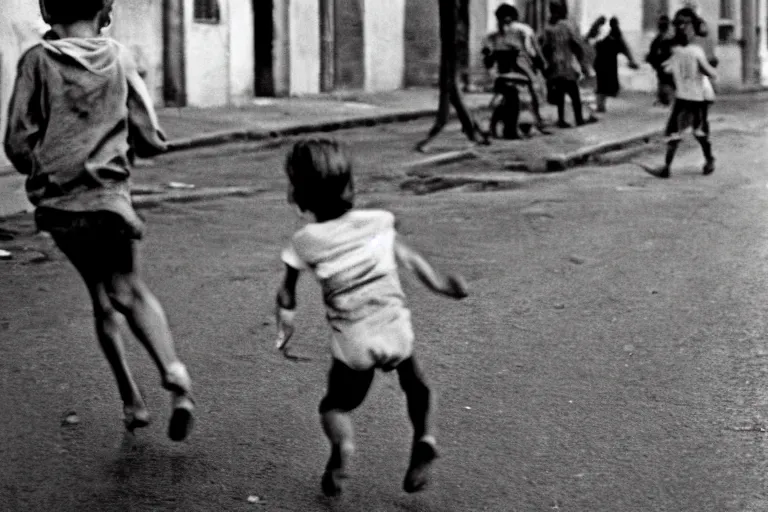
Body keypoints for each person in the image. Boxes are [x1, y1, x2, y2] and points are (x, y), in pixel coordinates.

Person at [4, 0, 195, 440]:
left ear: (47, 12)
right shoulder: (118, 57)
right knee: (128, 288)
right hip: (108, 202)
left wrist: (46, 165)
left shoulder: (35, 60)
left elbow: (16, 141)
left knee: (100, 296)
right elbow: (150, 137)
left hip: (60, 208)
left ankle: (132, 402)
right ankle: (174, 373)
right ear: (105, 13)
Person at [274, 139, 468, 496]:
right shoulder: (379, 222)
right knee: (417, 386)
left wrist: (285, 324)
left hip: (354, 342)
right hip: (396, 331)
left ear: (299, 194)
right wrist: (444, 286)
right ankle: (424, 436)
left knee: (335, 405)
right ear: (349, 185)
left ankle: (342, 446)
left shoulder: (304, 242)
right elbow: (413, 261)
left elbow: (286, 294)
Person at [648, 7, 717, 179]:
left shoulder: (700, 44)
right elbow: (664, 64)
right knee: (672, 131)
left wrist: (702, 65)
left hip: (699, 94)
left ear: (693, 24)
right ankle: (666, 166)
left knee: (699, 131)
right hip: (683, 94)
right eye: (678, 23)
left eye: (684, 23)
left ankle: (709, 159)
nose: (681, 27)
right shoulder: (674, 45)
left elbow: (711, 68)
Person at [482, 3, 550, 138]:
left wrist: (493, 72)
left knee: (509, 98)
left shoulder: (492, 36)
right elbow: (534, 51)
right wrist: (542, 65)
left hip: (505, 74)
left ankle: (499, 126)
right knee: (529, 96)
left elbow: (487, 57)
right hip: (521, 73)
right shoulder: (522, 30)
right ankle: (533, 124)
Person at [539, 1, 592, 128]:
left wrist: (545, 66)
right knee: (574, 93)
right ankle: (578, 119)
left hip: (554, 66)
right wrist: (582, 63)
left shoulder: (547, 28)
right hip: (566, 65)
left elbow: (544, 47)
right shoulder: (566, 26)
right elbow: (575, 45)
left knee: (560, 93)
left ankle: (562, 119)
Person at [592, 17, 640, 113]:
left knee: (602, 86)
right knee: (603, 86)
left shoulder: (610, 35)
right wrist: (631, 61)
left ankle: (600, 106)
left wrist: (631, 61)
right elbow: (625, 48)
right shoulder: (614, 35)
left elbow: (624, 48)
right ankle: (600, 106)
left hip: (602, 63)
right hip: (606, 64)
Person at [646, 14, 675, 106]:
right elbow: (652, 54)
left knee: (667, 83)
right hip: (661, 69)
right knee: (663, 82)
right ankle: (664, 99)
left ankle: (667, 100)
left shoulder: (669, 39)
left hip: (667, 69)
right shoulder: (658, 39)